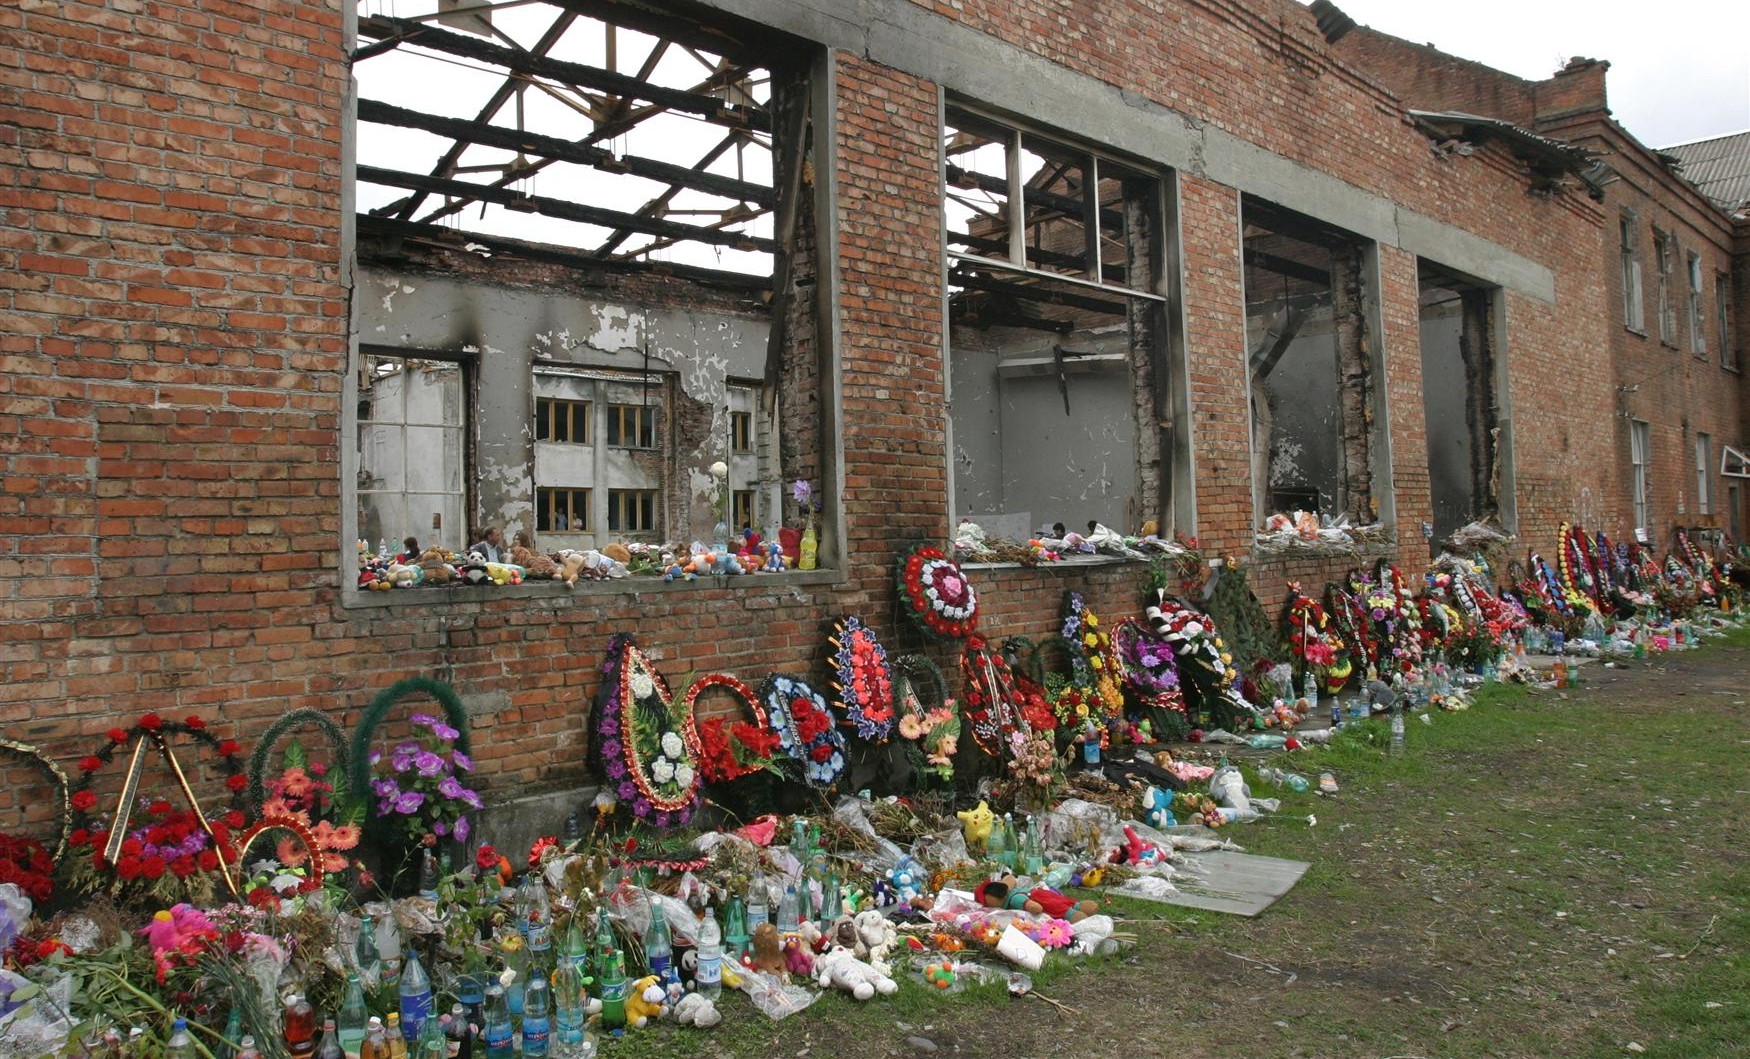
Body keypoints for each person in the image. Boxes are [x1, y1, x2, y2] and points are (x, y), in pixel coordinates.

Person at [973, 874, 1099, 922]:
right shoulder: (1007, 888)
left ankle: (1079, 917)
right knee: (1062, 901)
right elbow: (1010, 878)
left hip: (1044, 903)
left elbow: (1036, 908)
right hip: (1044, 894)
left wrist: (1033, 909)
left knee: (1063, 910)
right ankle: (1080, 906)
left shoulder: (1014, 900)